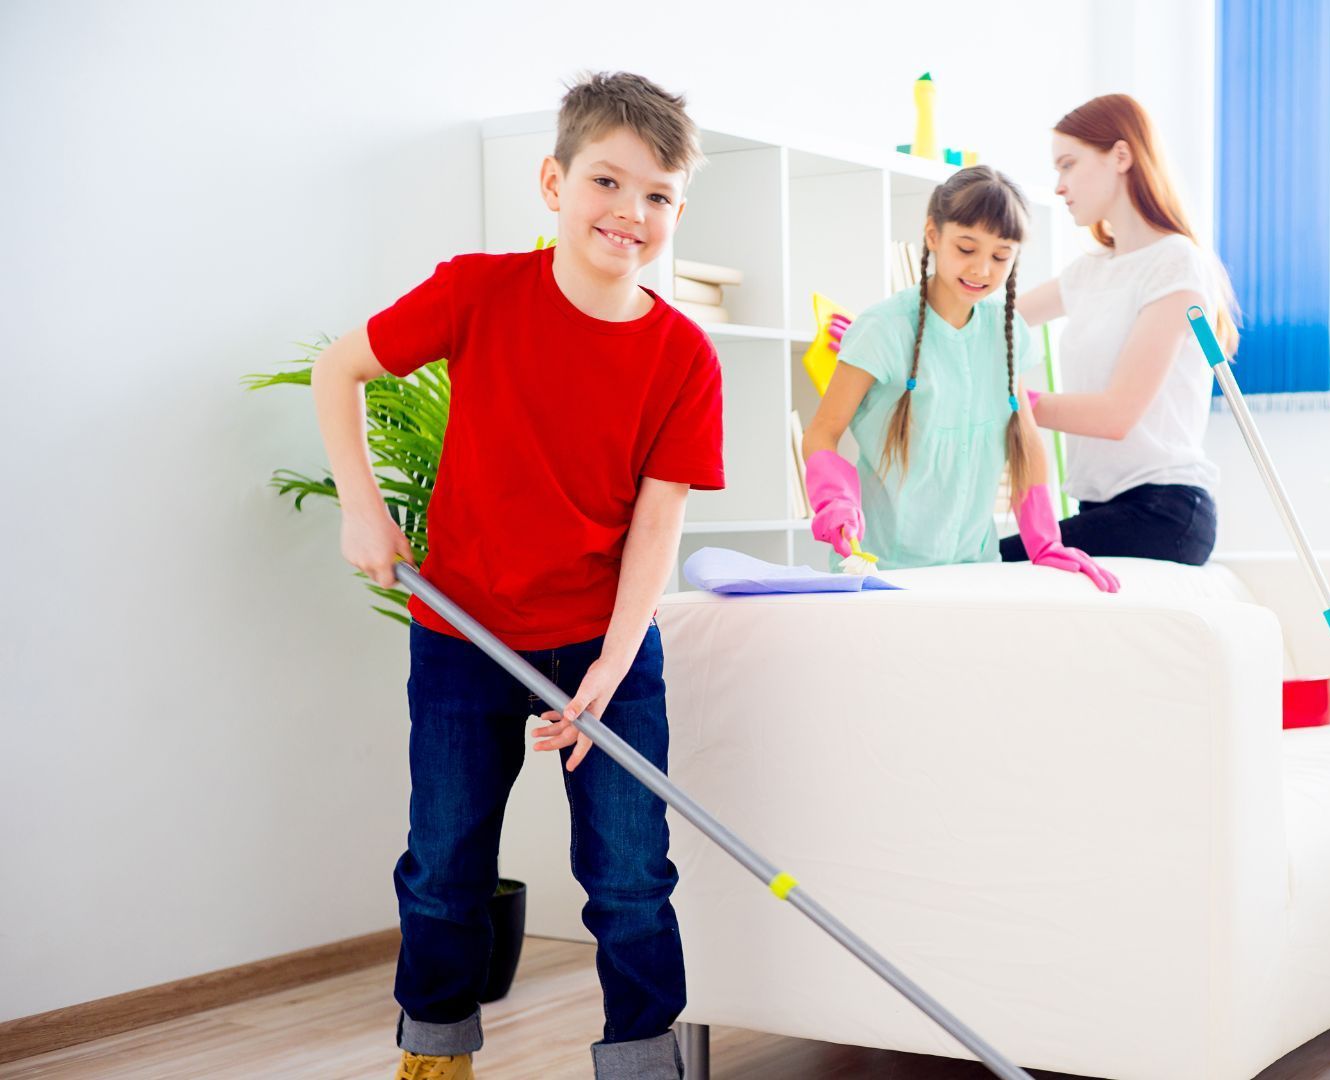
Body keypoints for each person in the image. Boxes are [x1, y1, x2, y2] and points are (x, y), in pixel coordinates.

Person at [312, 72, 726, 1080]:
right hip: (465, 635)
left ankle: (639, 1062)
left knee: (630, 874)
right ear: (554, 180)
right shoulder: (478, 293)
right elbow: (340, 369)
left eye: (660, 195)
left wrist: (605, 673)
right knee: (447, 861)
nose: (631, 213)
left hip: (606, 638)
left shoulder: (683, 359)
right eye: (607, 181)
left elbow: (656, 529)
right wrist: (365, 509)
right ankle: (437, 1049)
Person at [803, 165, 1118, 591]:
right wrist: (835, 501)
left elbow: (1025, 442)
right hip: (882, 570)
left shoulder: (1006, 331)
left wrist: (1045, 542)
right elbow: (824, 431)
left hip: (975, 567)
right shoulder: (883, 329)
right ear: (933, 235)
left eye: (1001, 256)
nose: (982, 269)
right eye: (966, 248)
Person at [1008, 93, 1238, 567]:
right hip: (1099, 509)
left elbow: (1116, 415)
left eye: (1068, 165)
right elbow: (993, 321)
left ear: (1120, 155)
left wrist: (1012, 401)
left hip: (1163, 513)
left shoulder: (1176, 262)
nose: (1058, 185)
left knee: (992, 562)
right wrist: (896, 333)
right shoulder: (1088, 273)